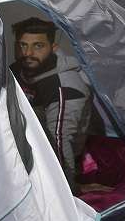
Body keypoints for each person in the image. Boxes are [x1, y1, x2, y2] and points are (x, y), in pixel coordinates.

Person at [9, 17, 93, 185]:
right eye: (22, 45)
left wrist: (68, 189)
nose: (28, 53)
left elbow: (61, 141)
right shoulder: (17, 70)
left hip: (56, 158)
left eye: (38, 46)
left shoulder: (65, 87)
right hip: (21, 146)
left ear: (53, 48)